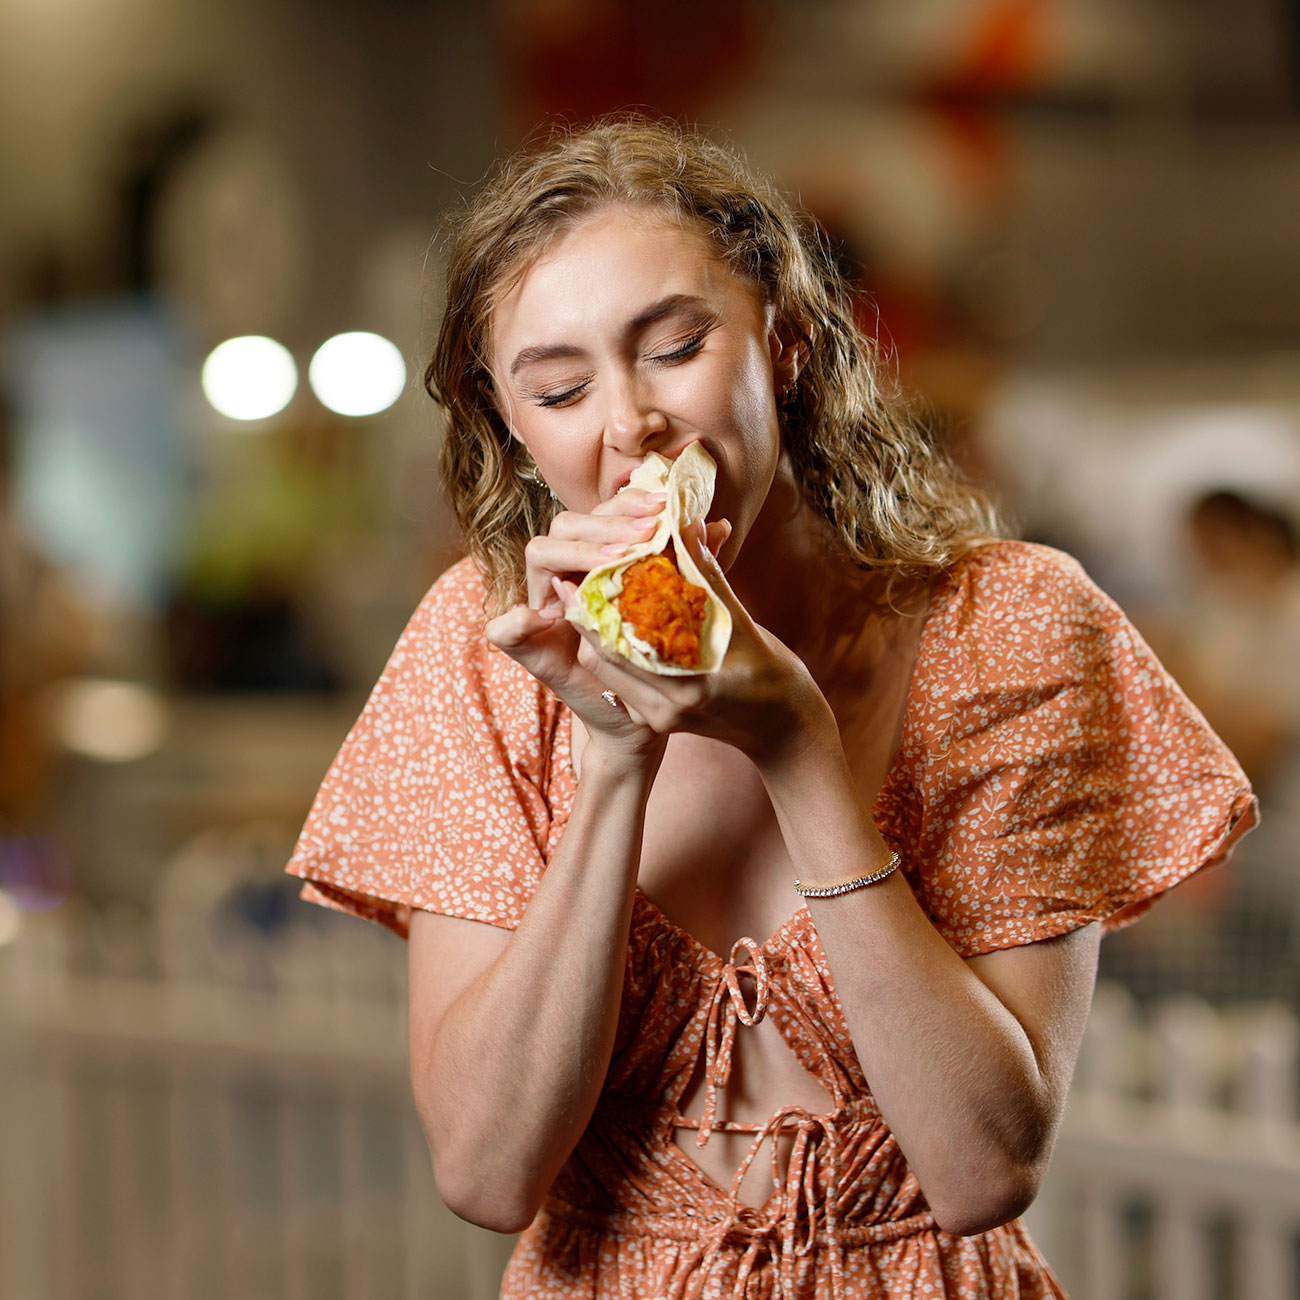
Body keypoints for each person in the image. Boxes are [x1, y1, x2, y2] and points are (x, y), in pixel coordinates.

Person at [286, 118, 1256, 1298]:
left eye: (675, 345)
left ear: (786, 344)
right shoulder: (480, 646)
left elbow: (983, 1165)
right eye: (557, 385)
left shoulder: (1010, 624)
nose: (628, 423)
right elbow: (488, 1174)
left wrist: (799, 751)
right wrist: (612, 762)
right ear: (512, 425)